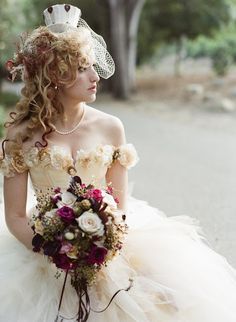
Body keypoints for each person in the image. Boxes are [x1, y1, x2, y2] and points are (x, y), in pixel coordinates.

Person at [0, 4, 236, 322]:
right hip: (41, 250)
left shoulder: (111, 127)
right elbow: (15, 216)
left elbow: (119, 205)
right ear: (56, 74)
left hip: (107, 245)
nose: (96, 77)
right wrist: (57, 251)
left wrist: (98, 245)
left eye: (93, 66)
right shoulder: (21, 134)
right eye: (83, 68)